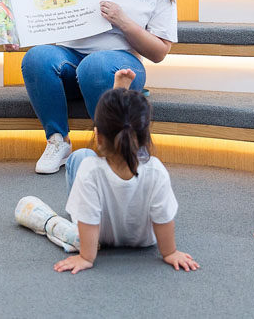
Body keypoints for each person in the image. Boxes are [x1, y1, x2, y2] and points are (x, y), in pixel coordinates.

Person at [20, 0, 178, 174]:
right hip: (70, 58)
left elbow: (160, 52)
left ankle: (111, 148)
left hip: (119, 67)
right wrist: (22, 33)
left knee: (94, 65)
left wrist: (123, 21)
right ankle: (58, 141)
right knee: (36, 57)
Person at [54, 69, 198, 274]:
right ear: (145, 137)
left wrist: (86, 257)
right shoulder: (156, 169)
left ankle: (117, 96)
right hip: (144, 241)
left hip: (96, 238)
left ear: (98, 136)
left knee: (81, 157)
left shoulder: (89, 170)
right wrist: (170, 252)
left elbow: (86, 217)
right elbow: (163, 218)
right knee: (103, 159)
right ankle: (119, 96)